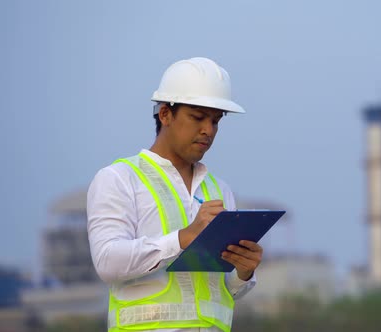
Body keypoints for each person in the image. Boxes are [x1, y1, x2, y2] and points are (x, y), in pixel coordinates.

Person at [87, 57, 262, 332]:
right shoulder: (119, 179)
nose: (208, 130)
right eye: (197, 117)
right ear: (165, 114)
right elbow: (107, 262)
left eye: (216, 121)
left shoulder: (220, 190)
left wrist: (244, 272)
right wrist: (183, 238)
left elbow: (222, 291)